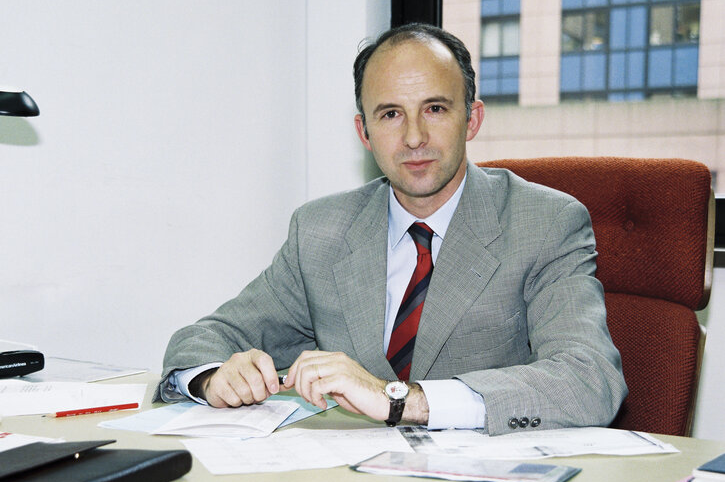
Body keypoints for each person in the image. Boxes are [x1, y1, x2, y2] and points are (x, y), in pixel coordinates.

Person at [157, 23, 627, 435]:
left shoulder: (545, 223)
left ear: (472, 119)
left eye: (436, 109)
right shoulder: (320, 231)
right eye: (391, 114)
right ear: (364, 133)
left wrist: (399, 399)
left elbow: (590, 380)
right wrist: (214, 376)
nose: (414, 137)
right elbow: (205, 338)